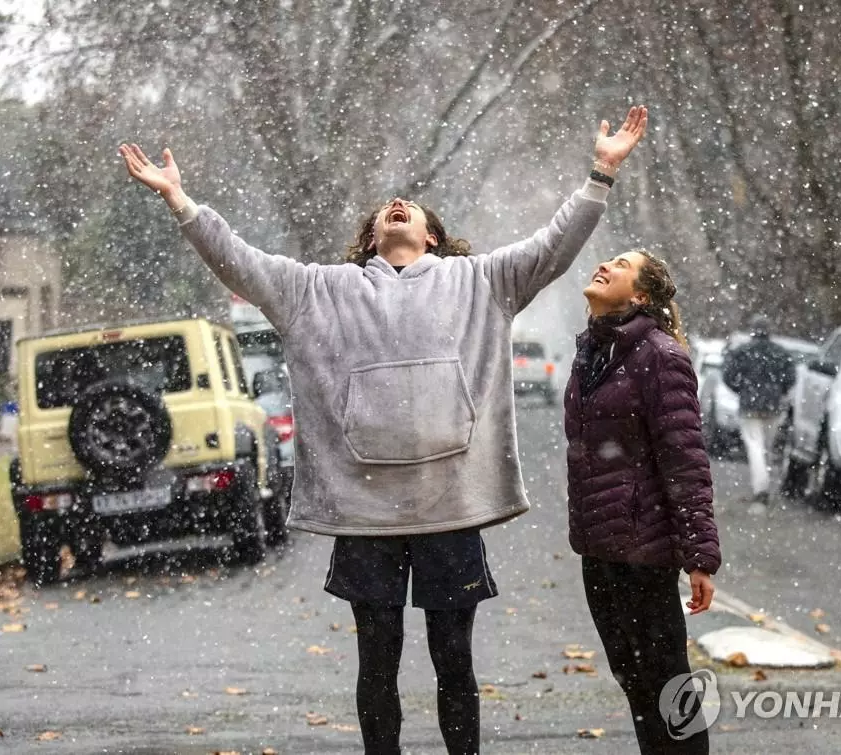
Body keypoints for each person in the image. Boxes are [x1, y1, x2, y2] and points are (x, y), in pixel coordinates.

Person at [118, 104, 647, 755]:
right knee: (378, 663)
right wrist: (180, 201)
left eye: (412, 207)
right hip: (366, 514)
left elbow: (553, 245)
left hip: (450, 509)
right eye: (387, 208)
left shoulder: (480, 280)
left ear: (431, 237)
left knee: (454, 658)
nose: (397, 204)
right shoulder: (320, 290)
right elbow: (240, 263)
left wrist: (602, 172)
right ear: (372, 238)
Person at [564, 249, 721, 754]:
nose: (606, 265)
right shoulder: (591, 351)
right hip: (601, 549)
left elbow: (685, 459)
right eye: (608, 258)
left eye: (622, 264)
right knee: (634, 682)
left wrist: (699, 555)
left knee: (665, 686)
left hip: (643, 551)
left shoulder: (659, 355)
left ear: (640, 295)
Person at [721, 313, 796, 508]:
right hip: (772, 406)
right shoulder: (780, 353)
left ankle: (760, 488)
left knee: (755, 447)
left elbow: (728, 375)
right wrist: (779, 391)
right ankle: (763, 486)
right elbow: (791, 378)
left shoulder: (743, 351)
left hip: (750, 405)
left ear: (752, 330)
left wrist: (741, 389)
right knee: (767, 448)